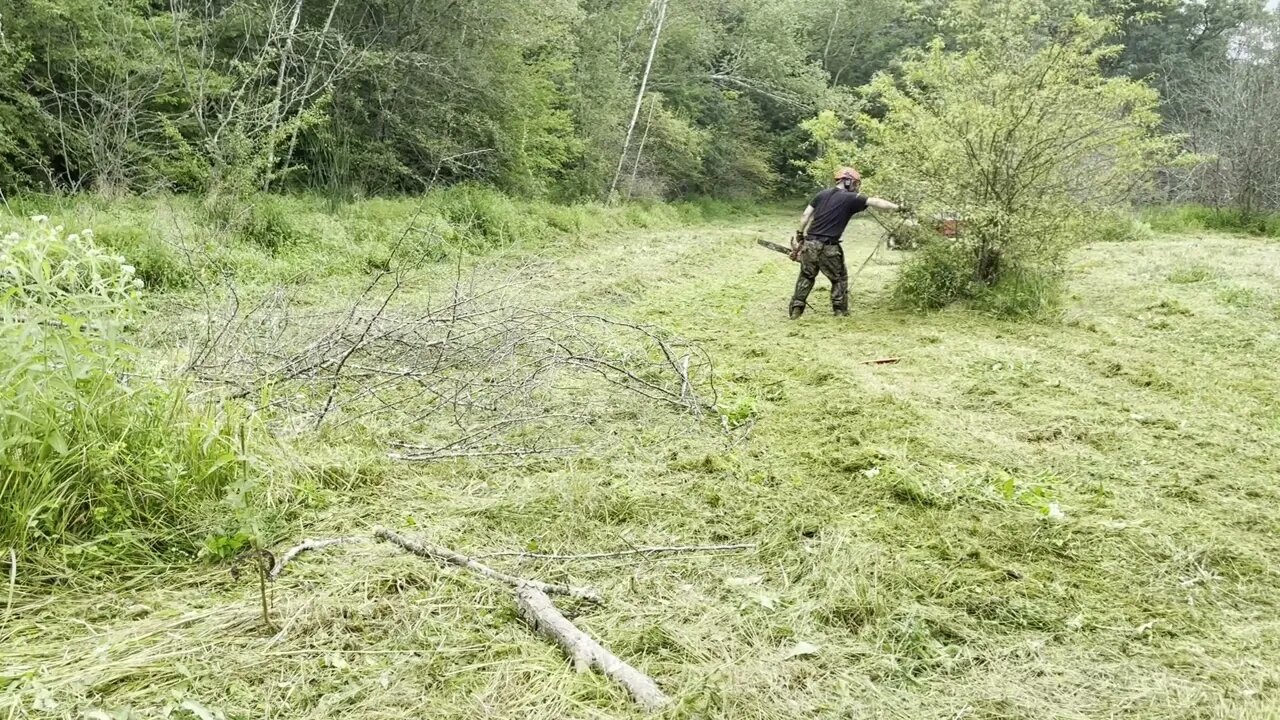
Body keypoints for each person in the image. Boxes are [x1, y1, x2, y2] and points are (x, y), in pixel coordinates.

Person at [789, 167, 907, 319]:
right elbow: (876, 202)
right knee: (839, 279)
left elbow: (805, 215)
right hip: (829, 247)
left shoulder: (821, 194)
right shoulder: (852, 197)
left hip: (810, 243)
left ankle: (796, 310)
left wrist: (800, 235)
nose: (856, 187)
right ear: (848, 181)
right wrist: (900, 208)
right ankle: (840, 311)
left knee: (806, 276)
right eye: (855, 183)